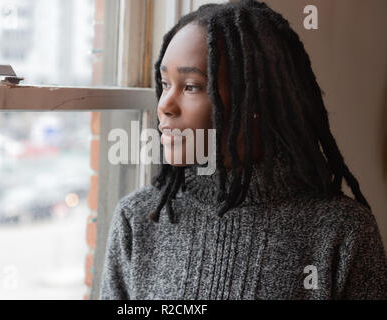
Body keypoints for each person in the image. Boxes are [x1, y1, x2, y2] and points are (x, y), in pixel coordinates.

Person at [99, 0, 387, 299]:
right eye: (165, 83)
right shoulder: (139, 219)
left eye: (192, 86)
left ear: (254, 99)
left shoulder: (341, 232)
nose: (164, 106)